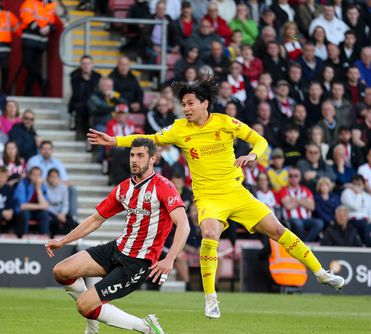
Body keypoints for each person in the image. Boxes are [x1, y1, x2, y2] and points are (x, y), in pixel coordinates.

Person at [88, 76, 345, 318]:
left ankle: (320, 272)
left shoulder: (226, 122)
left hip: (236, 193)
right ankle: (210, 296)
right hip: (208, 197)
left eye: (190, 104)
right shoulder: (180, 129)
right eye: (183, 104)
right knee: (210, 233)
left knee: (277, 230)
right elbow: (151, 140)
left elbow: (261, 141)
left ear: (204, 104)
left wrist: (252, 155)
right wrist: (115, 141)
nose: (186, 108)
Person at [45, 138, 188, 334]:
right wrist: (63, 241)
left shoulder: (164, 187)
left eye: (140, 156)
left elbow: (184, 225)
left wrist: (170, 258)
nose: (134, 160)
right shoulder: (124, 188)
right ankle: (93, 314)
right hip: (117, 249)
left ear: (153, 159)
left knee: (83, 305)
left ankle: (146, 327)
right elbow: (96, 219)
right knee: (61, 271)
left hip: (137, 262)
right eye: (132, 155)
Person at [19, 0, 57, 96]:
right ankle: (41, 81)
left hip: (41, 40)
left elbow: (52, 19)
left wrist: (49, 27)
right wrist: (39, 29)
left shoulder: (52, 5)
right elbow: (26, 16)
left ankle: (28, 92)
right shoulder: (29, 2)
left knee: (34, 66)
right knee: (27, 62)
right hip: (29, 37)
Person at [279, 167, 325, 242]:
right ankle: (303, 244)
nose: (293, 178)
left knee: (319, 223)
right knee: (298, 223)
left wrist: (295, 199)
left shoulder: (306, 190)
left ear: (300, 178)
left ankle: (305, 243)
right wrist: (304, 201)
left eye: (296, 176)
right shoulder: (283, 190)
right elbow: (288, 206)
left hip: (306, 219)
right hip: (290, 219)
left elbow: (312, 207)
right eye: (290, 176)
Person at [13, 167, 50, 238]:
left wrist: (38, 189)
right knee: (25, 214)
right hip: (22, 212)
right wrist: (40, 206)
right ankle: (24, 237)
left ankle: (44, 237)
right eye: (34, 175)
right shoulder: (22, 185)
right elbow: (22, 206)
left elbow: (45, 206)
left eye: (38, 175)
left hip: (36, 211)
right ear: (29, 176)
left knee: (44, 214)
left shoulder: (42, 186)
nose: (36, 177)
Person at [45, 168, 77, 238]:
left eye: (55, 177)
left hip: (61, 212)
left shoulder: (63, 188)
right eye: (51, 177)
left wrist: (62, 214)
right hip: (51, 212)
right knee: (54, 221)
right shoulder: (45, 188)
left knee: (72, 222)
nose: (53, 179)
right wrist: (57, 215)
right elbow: (46, 205)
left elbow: (66, 204)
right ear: (48, 178)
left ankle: (65, 239)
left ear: (58, 178)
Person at [340, 175, 371, 245]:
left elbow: (369, 210)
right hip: (352, 220)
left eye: (359, 184)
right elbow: (354, 207)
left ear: (363, 185)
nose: (357, 186)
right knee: (366, 227)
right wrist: (359, 194)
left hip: (366, 221)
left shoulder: (367, 196)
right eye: (355, 184)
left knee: (367, 226)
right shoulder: (346, 192)